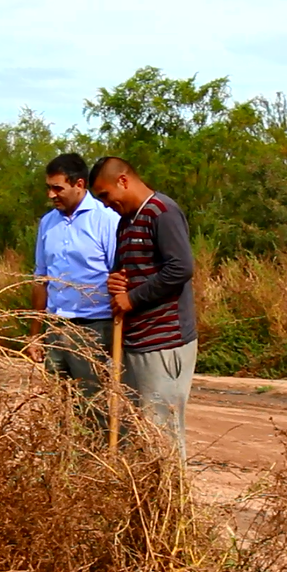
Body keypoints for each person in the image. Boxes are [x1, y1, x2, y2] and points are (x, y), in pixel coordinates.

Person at [88, 156, 196, 461]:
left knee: (162, 435)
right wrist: (116, 283)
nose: (106, 205)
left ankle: (172, 507)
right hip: (135, 341)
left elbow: (180, 268)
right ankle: (144, 507)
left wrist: (132, 298)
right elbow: (126, 271)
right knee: (139, 434)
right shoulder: (126, 221)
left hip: (164, 342)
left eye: (106, 195)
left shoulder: (163, 212)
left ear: (123, 181)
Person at [29, 153, 121, 398]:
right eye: (48, 188)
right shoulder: (47, 223)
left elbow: (120, 278)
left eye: (57, 188)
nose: (51, 195)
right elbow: (41, 280)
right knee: (58, 408)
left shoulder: (108, 220)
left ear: (79, 184)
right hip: (55, 329)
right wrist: (36, 335)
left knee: (94, 407)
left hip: (94, 330)